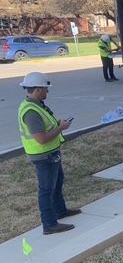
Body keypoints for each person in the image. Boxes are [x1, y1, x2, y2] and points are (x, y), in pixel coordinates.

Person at [17, 72, 81, 235]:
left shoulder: (37, 105)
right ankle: (49, 224)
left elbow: (45, 128)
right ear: (38, 89)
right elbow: (41, 138)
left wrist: (57, 123)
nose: (47, 92)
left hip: (51, 153)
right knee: (46, 189)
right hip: (43, 155)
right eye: (45, 89)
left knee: (57, 182)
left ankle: (60, 211)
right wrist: (61, 128)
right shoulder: (31, 112)